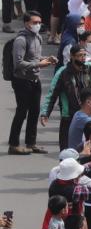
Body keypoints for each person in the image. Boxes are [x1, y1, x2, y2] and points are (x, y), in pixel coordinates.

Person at [8, 11, 56, 155]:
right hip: (22, 80)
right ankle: (14, 144)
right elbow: (19, 63)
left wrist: (47, 58)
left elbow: (35, 56)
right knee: (22, 112)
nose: (37, 25)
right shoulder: (21, 40)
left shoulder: (38, 37)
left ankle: (31, 142)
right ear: (26, 23)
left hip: (35, 79)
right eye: (34, 22)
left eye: (39, 22)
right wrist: (39, 64)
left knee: (35, 112)